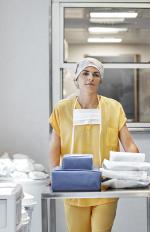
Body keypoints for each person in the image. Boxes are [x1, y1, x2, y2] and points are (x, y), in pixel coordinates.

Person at [49, 57, 139, 232]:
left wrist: (139, 174)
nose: (90, 78)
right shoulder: (62, 109)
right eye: (85, 73)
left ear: (100, 79)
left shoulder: (114, 108)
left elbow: (130, 146)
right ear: (76, 78)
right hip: (73, 185)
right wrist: (54, 175)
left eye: (95, 74)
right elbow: (55, 146)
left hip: (104, 185)